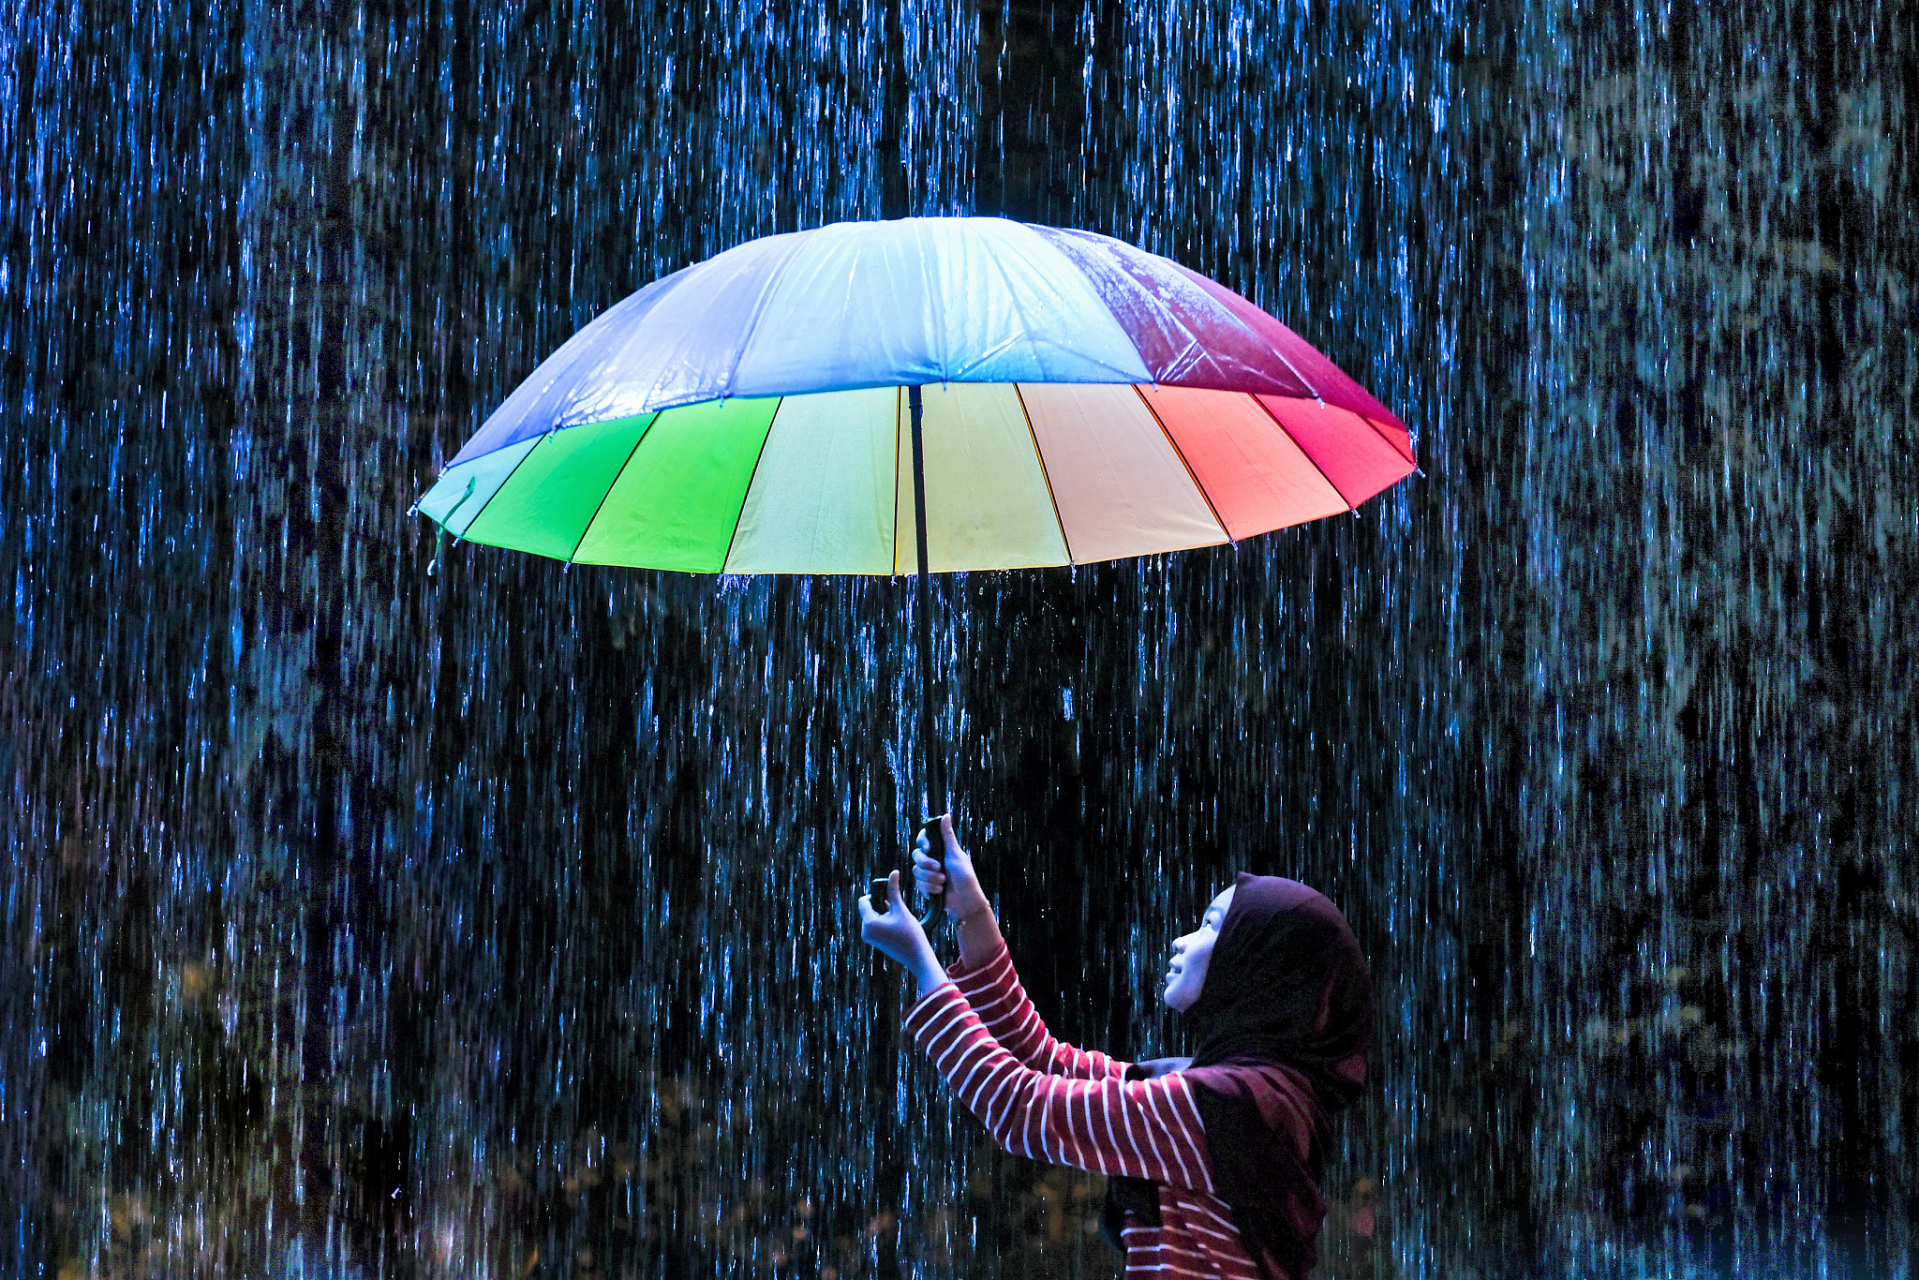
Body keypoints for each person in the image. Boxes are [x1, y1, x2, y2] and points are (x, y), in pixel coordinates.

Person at [857, 816, 1374, 1280]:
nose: (1182, 940)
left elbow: (1022, 1106)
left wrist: (925, 967)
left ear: (1259, 966)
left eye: (1212, 926)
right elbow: (1046, 1061)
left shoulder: (1223, 1105)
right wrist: (972, 913)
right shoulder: (1245, 1100)